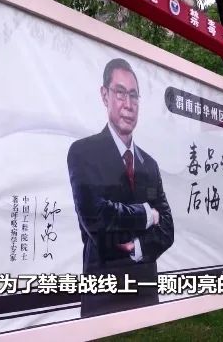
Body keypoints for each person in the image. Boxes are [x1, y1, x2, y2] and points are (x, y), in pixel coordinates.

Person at [67, 58, 174, 318]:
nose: (128, 104)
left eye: (134, 95)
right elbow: (97, 219)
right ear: (104, 95)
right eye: (120, 93)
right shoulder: (83, 153)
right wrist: (148, 214)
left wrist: (138, 247)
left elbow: (168, 229)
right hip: (103, 300)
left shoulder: (150, 164)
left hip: (146, 297)